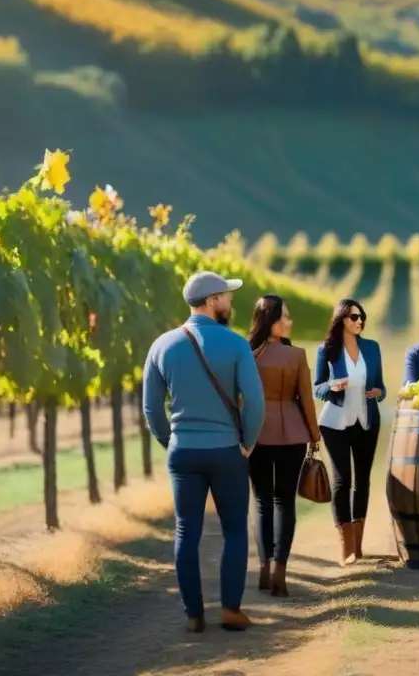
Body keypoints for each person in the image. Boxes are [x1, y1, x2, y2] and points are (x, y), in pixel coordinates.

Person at [141, 271, 265, 633]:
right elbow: (254, 402)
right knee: (235, 531)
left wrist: (171, 442)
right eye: (226, 295)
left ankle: (194, 613)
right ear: (212, 301)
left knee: (186, 532)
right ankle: (230, 609)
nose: (229, 301)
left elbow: (151, 409)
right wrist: (249, 440)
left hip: (184, 453)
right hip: (227, 450)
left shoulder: (162, 345)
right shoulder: (236, 344)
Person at [246, 294, 321, 598]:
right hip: (292, 435)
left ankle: (264, 567)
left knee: (262, 502)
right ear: (272, 321)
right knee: (284, 502)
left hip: (257, 434)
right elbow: (306, 398)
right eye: (284, 317)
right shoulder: (297, 356)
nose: (289, 321)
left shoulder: (247, 354)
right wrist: (315, 436)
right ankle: (280, 571)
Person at [313, 298, 386, 566]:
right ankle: (346, 548)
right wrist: (332, 386)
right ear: (342, 318)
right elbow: (317, 387)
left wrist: (379, 393)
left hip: (367, 421)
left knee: (362, 480)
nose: (359, 321)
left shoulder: (372, 348)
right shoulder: (327, 350)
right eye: (354, 317)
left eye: (361, 317)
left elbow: (381, 387)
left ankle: (358, 544)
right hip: (335, 424)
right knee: (343, 480)